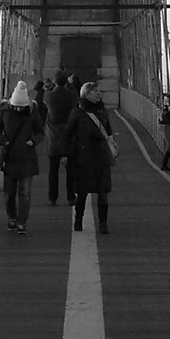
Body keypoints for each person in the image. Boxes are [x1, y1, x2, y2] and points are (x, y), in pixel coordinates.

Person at [63, 81, 116, 234]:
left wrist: (111, 148)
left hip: (101, 155)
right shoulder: (78, 113)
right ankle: (78, 220)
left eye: (99, 91)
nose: (99, 93)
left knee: (103, 191)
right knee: (82, 192)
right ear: (86, 94)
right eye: (95, 91)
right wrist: (65, 154)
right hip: (84, 157)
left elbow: (109, 131)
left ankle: (103, 223)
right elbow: (67, 134)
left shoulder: (102, 111)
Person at [0, 78, 45, 231]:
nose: (17, 109)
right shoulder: (4, 111)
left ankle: (22, 220)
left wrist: (33, 141)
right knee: (9, 193)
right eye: (15, 107)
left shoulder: (32, 112)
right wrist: (3, 141)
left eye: (20, 107)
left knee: (24, 192)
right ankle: (12, 217)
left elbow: (39, 131)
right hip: (10, 157)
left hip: (26, 157)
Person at [44, 66, 78, 203]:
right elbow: (75, 96)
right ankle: (71, 196)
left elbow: (46, 96)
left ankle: (53, 197)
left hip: (53, 135)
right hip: (68, 133)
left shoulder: (49, 96)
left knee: (53, 169)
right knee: (71, 169)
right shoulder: (72, 94)